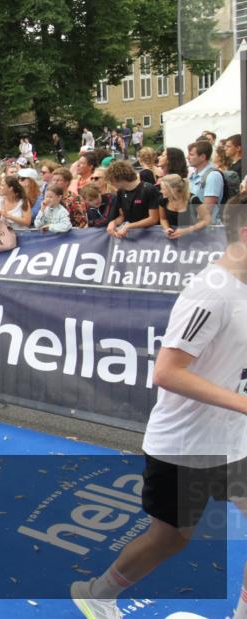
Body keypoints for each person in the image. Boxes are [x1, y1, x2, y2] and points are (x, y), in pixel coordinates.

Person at [71, 193, 247, 619]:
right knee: (170, 537)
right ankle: (98, 594)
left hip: (232, 438)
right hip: (185, 444)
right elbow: (167, 372)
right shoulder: (211, 292)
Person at [105, 160, 161, 239]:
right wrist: (113, 222)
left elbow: (153, 219)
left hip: (151, 236)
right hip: (131, 236)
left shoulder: (148, 189)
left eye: (111, 180)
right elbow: (122, 216)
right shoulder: (120, 192)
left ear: (119, 178)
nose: (111, 184)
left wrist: (129, 226)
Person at [158, 174, 209, 240]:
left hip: (193, 238)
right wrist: (167, 228)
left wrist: (186, 231)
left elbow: (206, 220)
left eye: (163, 189)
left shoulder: (193, 199)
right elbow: (163, 219)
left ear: (174, 189)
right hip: (173, 238)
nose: (161, 191)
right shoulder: (163, 200)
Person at [187, 140, 224, 223]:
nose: (187, 157)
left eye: (191, 154)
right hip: (194, 226)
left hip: (208, 229)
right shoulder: (193, 175)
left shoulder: (213, 176)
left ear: (203, 157)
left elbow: (207, 209)